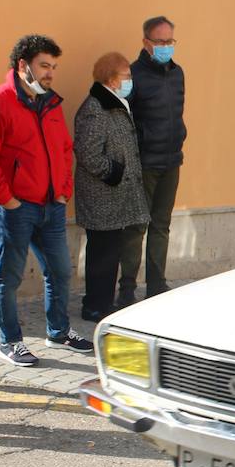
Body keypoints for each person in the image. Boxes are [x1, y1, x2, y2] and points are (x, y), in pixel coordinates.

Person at [0, 34, 94, 367]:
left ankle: (59, 332)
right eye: (44, 66)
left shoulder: (50, 104)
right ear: (23, 66)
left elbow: (64, 149)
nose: (50, 73)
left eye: (53, 66)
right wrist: (6, 200)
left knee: (61, 271)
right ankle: (10, 342)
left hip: (51, 206)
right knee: (9, 277)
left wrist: (64, 191)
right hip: (15, 209)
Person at [73, 52, 149, 321]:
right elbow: (88, 153)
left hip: (114, 197)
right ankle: (95, 306)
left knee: (110, 253)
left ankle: (102, 303)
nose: (130, 81)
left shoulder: (115, 103)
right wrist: (114, 172)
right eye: (126, 76)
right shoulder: (95, 108)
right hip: (102, 195)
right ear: (112, 79)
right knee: (101, 255)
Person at [126, 15, 187, 298]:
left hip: (171, 160)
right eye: (160, 41)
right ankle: (126, 289)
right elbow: (125, 121)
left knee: (161, 225)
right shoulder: (133, 75)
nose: (166, 46)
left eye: (170, 41)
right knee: (137, 227)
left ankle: (156, 285)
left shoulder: (177, 73)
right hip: (145, 163)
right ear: (146, 43)